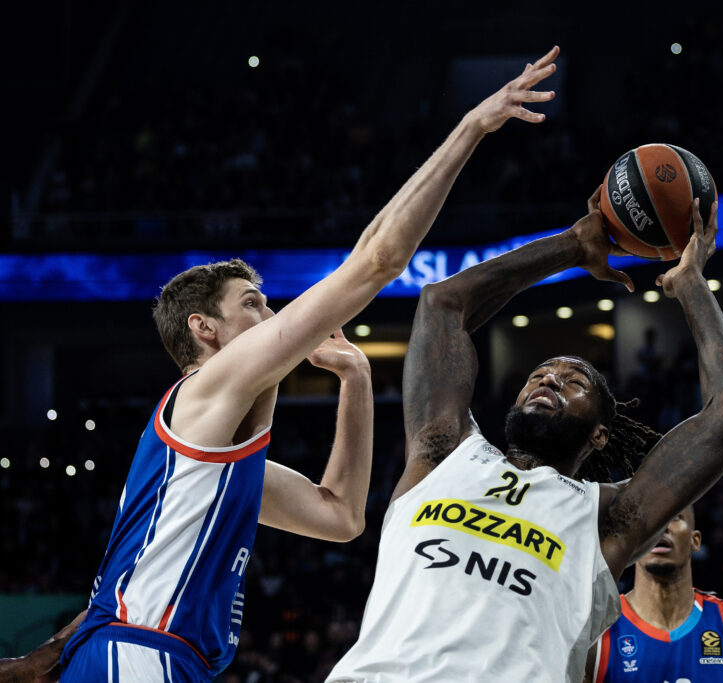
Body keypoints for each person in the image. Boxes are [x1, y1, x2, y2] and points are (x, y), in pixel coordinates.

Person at [2, 46, 563, 683]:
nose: (273, 314)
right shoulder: (206, 389)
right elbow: (375, 261)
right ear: (204, 330)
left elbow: (342, 516)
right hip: (140, 655)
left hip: (150, 657)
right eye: (254, 303)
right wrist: (471, 128)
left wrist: (355, 378)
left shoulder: (214, 467)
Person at [328, 188, 723, 682]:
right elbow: (443, 303)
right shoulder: (444, 454)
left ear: (600, 435)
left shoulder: (607, 518)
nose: (551, 379)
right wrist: (574, 245)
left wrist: (690, 285)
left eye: (575, 382)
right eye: (539, 374)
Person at [583, 505, 723, 682]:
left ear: (695, 540)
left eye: (674, 517)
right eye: (650, 520)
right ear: (633, 540)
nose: (661, 527)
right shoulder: (594, 637)